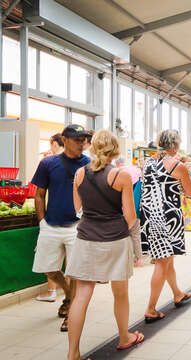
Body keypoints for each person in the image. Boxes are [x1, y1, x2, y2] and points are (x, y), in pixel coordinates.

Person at [66, 130, 145, 359]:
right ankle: (124, 337)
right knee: (120, 293)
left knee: (81, 294)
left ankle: (73, 353)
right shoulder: (120, 176)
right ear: (115, 150)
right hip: (115, 241)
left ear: (93, 148)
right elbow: (131, 216)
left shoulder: (80, 173)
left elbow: (77, 210)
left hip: (86, 240)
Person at [31, 124, 91, 332]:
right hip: (51, 224)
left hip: (77, 226)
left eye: (84, 139)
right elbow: (39, 194)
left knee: (74, 272)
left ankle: (72, 309)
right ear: (64, 140)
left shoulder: (89, 163)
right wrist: (42, 221)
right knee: (47, 268)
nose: (82, 143)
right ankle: (67, 293)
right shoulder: (48, 163)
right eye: (77, 139)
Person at [140, 130, 191, 323]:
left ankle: (177, 293)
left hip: (149, 215)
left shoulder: (147, 163)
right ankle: (150, 309)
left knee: (167, 258)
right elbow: (190, 191)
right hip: (167, 217)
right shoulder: (177, 165)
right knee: (162, 262)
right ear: (175, 145)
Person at [35, 133, 65, 302]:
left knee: (49, 261)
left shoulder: (47, 163)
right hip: (71, 220)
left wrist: (42, 220)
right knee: (70, 262)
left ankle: (54, 291)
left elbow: (38, 194)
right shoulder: (78, 163)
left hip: (52, 218)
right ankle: (69, 296)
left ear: (53, 143)